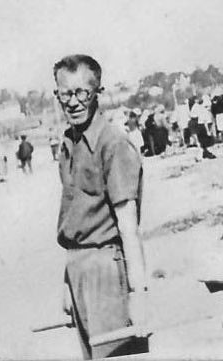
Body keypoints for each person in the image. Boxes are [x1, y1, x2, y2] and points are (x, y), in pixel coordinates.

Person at [52, 54, 149, 358]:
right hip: (78, 268)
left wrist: (139, 295)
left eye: (82, 92)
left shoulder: (113, 144)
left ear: (97, 93)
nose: (73, 102)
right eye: (65, 94)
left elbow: (128, 228)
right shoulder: (69, 143)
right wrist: (69, 282)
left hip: (106, 271)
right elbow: (75, 218)